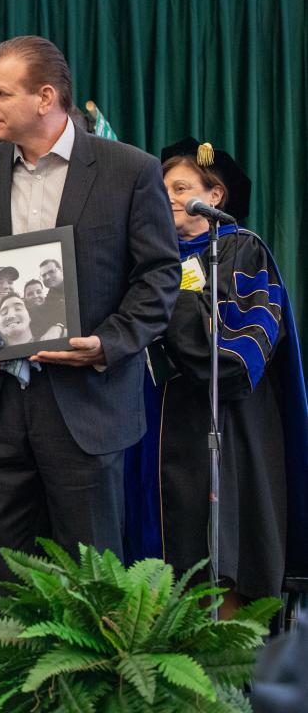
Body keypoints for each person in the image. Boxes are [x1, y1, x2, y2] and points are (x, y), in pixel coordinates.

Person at [0, 36, 180, 621]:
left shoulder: (130, 170)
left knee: (91, 584)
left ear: (46, 96)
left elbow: (158, 277)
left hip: (86, 407)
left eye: (0, 93)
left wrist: (107, 345)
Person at [124, 137, 308, 616]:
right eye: (160, 186)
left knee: (218, 556)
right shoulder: (145, 259)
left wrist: (170, 290)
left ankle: (224, 674)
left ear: (215, 196)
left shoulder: (241, 252)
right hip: (150, 433)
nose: (165, 194)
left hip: (223, 435)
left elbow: (236, 362)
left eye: (179, 186)